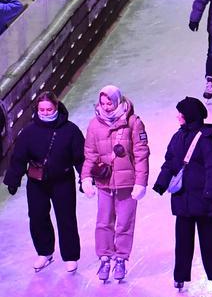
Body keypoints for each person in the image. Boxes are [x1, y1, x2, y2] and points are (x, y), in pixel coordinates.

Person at [3, 90, 84, 274]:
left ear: (56, 107)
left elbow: (80, 157)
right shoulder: (29, 132)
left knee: (66, 218)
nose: (46, 113)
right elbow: (19, 157)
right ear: (37, 109)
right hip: (37, 182)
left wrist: (84, 177)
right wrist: (13, 179)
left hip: (63, 180)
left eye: (49, 109)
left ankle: (70, 256)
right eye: (42, 109)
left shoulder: (70, 130)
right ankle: (45, 252)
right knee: (38, 216)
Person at [153, 97, 212, 292]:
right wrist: (161, 183)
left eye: (181, 113)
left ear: (189, 116)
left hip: (203, 200)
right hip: (183, 200)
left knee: (209, 241)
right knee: (183, 242)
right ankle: (180, 276)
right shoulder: (177, 137)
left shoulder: (205, 139)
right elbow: (170, 163)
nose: (178, 116)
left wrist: (211, 192)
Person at [81, 85, 150, 282]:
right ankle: (104, 257)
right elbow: (90, 155)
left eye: (109, 103)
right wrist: (86, 177)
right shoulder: (94, 125)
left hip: (127, 184)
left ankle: (120, 258)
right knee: (103, 222)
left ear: (117, 100)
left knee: (124, 223)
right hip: (104, 183)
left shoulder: (133, 123)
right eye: (103, 103)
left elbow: (141, 154)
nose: (106, 107)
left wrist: (141, 182)